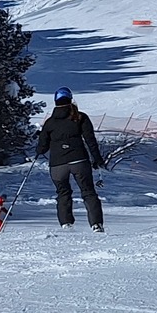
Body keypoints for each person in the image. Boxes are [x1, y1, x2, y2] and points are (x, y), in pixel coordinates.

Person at [36, 87, 105, 231]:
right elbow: (90, 140)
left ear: (55, 101)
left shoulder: (50, 122)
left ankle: (66, 223)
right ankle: (96, 224)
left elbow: (42, 147)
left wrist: (39, 150)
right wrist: (97, 159)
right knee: (88, 191)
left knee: (63, 193)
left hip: (57, 164)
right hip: (79, 160)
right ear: (70, 99)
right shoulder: (80, 117)